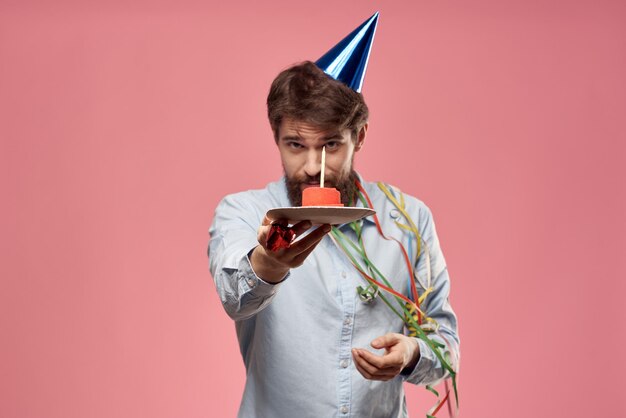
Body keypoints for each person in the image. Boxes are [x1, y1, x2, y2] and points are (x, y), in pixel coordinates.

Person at [208, 13, 459, 418]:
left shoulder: (408, 219)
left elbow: (444, 340)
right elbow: (234, 297)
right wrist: (268, 265)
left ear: (358, 137)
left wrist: (412, 351)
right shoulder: (244, 212)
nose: (312, 165)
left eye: (330, 145)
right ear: (276, 138)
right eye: (295, 144)